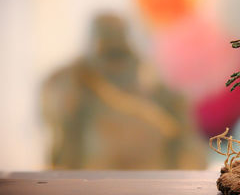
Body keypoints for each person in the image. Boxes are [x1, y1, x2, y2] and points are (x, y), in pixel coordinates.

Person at [41, 13, 207, 169]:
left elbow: (187, 142)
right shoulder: (75, 78)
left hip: (152, 181)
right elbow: (62, 138)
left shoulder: (153, 79)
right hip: (93, 181)